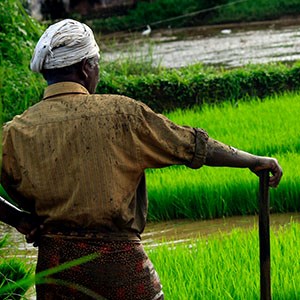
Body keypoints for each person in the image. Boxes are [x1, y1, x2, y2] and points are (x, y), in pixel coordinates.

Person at [1, 19, 282, 300]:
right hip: (119, 266)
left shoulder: (15, 131)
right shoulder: (121, 114)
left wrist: (18, 220)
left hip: (55, 272)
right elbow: (191, 145)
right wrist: (252, 160)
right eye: (96, 64)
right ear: (86, 68)